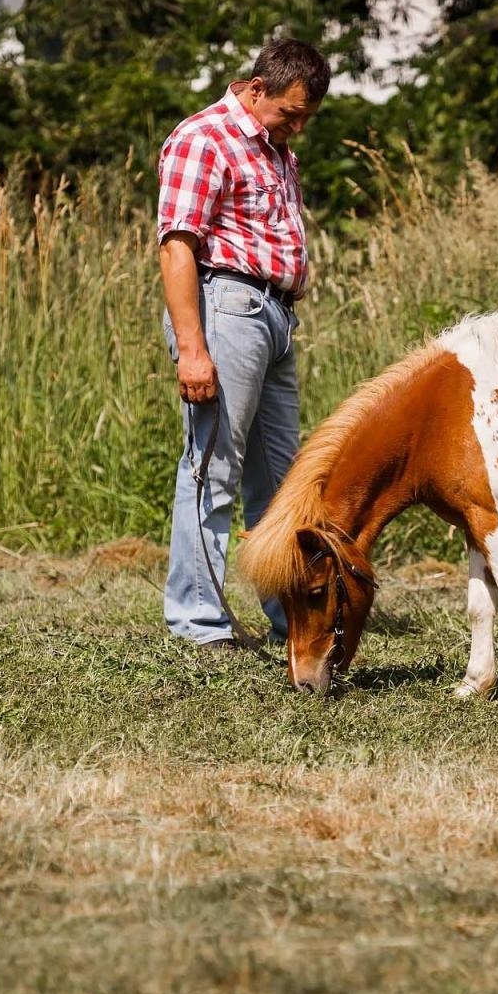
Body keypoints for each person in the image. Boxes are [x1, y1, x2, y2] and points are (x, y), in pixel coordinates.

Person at [156, 38, 329, 649]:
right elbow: (178, 245)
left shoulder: (276, 146)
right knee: (213, 467)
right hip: (227, 309)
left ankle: (289, 617)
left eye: (307, 117)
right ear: (257, 89)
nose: (298, 128)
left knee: (281, 480)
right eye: (290, 113)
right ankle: (199, 622)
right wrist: (193, 348)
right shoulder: (203, 139)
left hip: (276, 319)